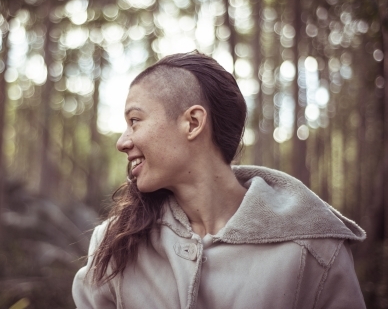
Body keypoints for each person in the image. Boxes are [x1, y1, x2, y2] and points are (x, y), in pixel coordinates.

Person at [72, 52, 366, 309]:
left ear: (193, 123)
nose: (122, 142)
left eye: (134, 120)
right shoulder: (115, 244)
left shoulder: (316, 251)